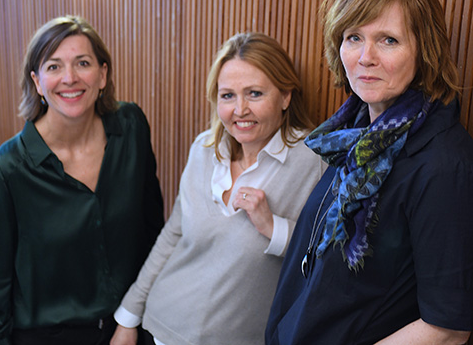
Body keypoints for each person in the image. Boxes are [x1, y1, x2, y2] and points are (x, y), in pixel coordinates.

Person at [265, 0, 473, 344]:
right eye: (353, 37)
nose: (365, 57)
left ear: (424, 51)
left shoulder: (442, 165)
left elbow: (447, 328)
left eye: (388, 40)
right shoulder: (354, 138)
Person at [110, 32, 326, 345]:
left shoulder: (314, 161)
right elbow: (173, 236)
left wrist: (273, 227)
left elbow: (327, 261)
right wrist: (128, 316)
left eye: (254, 93)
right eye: (227, 96)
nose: (240, 110)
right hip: (160, 328)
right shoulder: (204, 149)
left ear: (285, 96)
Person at [0, 16, 164, 345]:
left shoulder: (131, 127)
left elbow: (152, 233)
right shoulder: (6, 171)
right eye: (54, 67)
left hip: (131, 326)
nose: (70, 78)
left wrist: (133, 318)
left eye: (83, 63)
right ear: (37, 81)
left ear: (103, 74)